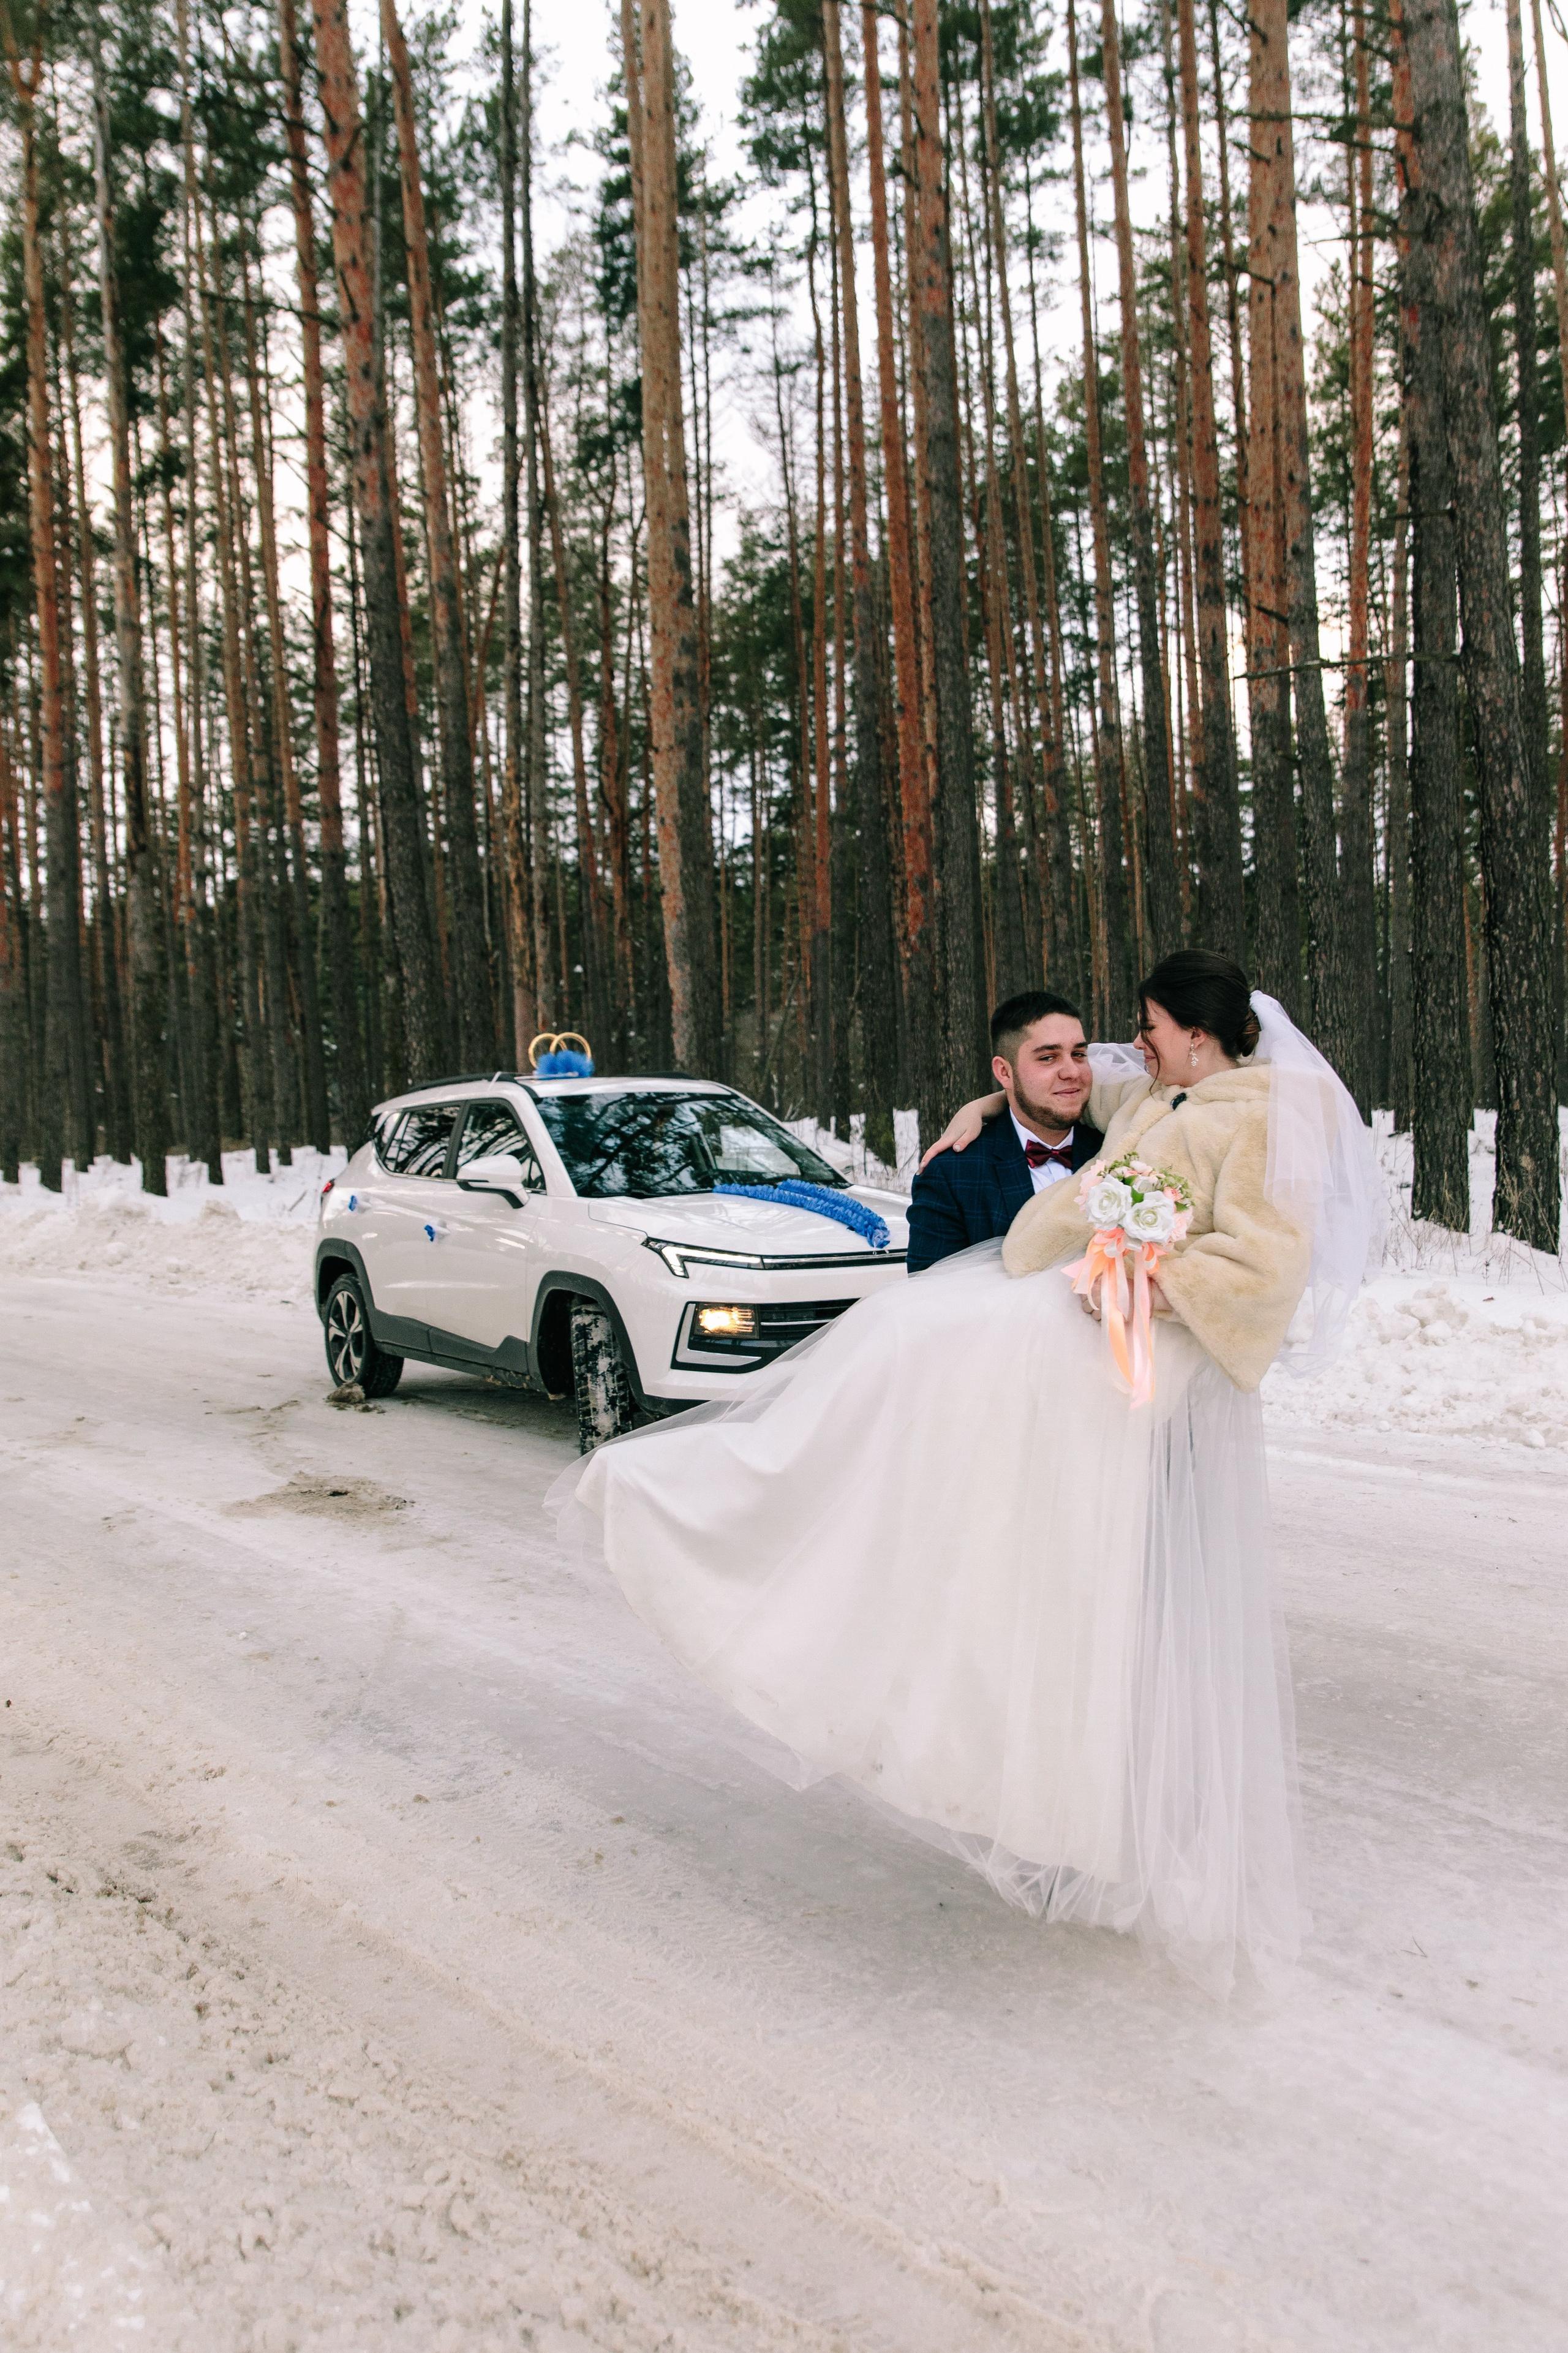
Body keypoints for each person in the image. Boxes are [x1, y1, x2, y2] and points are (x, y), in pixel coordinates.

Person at [548, 952, 1381, 1994]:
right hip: (1071, 1365)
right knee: (900, 1358)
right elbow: (1070, 1080)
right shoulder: (1166, 1089)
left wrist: (1148, 1276)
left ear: (1199, 1034)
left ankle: (1114, 1813)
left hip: (1134, 1381)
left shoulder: (1257, 1118)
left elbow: (1264, 1268)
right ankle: (752, 1494)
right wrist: (982, 1102)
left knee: (1113, 1597)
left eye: (1150, 1024)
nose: (1133, 1042)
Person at [905, 991, 1104, 1272]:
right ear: (1004, 1073)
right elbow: (929, 1299)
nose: (1071, 1071)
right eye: (1048, 1058)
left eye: (1079, 1054)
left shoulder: (1117, 1150)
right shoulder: (952, 1175)